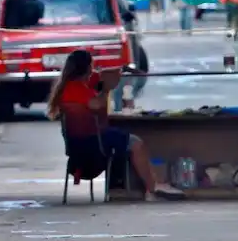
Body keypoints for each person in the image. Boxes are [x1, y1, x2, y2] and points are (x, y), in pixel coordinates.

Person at [48, 50, 185, 201]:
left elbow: (103, 75)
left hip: (81, 143)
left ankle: (142, 186)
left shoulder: (77, 83)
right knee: (136, 143)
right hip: (91, 143)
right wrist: (106, 90)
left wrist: (123, 69)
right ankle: (152, 188)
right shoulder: (75, 89)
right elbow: (96, 104)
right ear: (86, 67)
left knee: (124, 138)